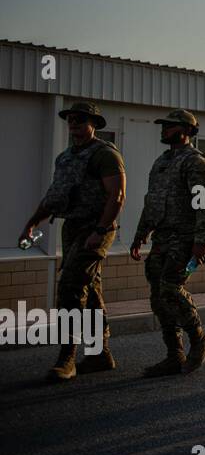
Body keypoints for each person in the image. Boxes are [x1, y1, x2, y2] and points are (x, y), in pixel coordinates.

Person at [20, 101, 124, 382]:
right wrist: (32, 223)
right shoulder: (65, 158)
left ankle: (67, 357)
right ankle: (99, 353)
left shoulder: (104, 154)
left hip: (96, 226)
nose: (74, 123)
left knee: (70, 285)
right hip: (73, 227)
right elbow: (54, 196)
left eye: (81, 119)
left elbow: (117, 196)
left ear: (93, 124)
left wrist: (100, 231)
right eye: (71, 119)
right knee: (89, 289)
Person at [129, 109, 205, 377]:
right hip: (162, 237)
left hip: (185, 237)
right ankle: (174, 354)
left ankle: (200, 339)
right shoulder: (161, 162)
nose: (163, 130)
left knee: (171, 287)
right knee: (158, 297)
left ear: (187, 130)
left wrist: (202, 240)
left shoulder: (196, 162)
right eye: (163, 126)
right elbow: (151, 200)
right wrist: (140, 233)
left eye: (169, 126)